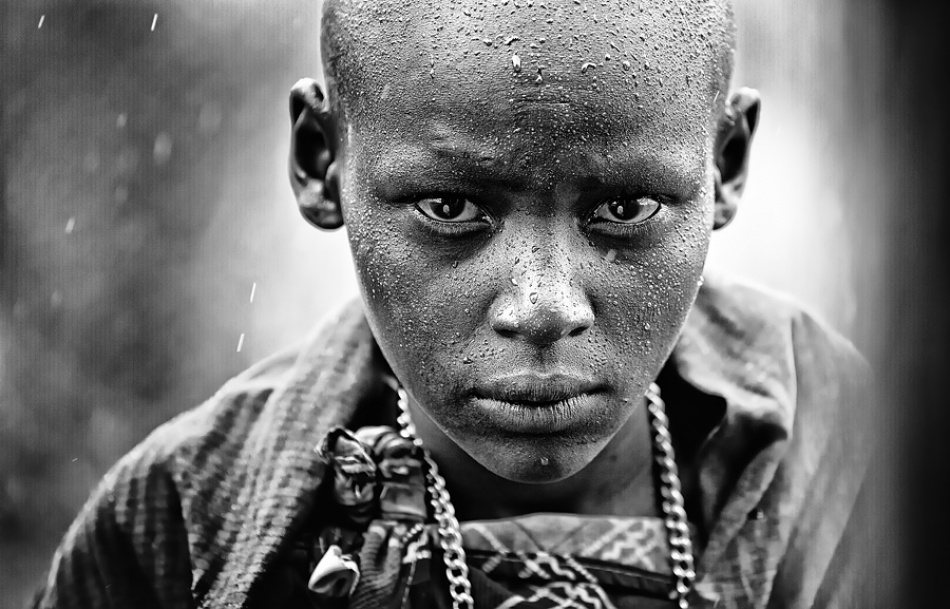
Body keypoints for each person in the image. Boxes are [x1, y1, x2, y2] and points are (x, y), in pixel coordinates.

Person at [31, 1, 875, 608]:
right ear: (322, 160)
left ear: (726, 165)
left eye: (623, 208)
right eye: (450, 207)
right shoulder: (186, 518)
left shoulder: (845, 455)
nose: (543, 307)